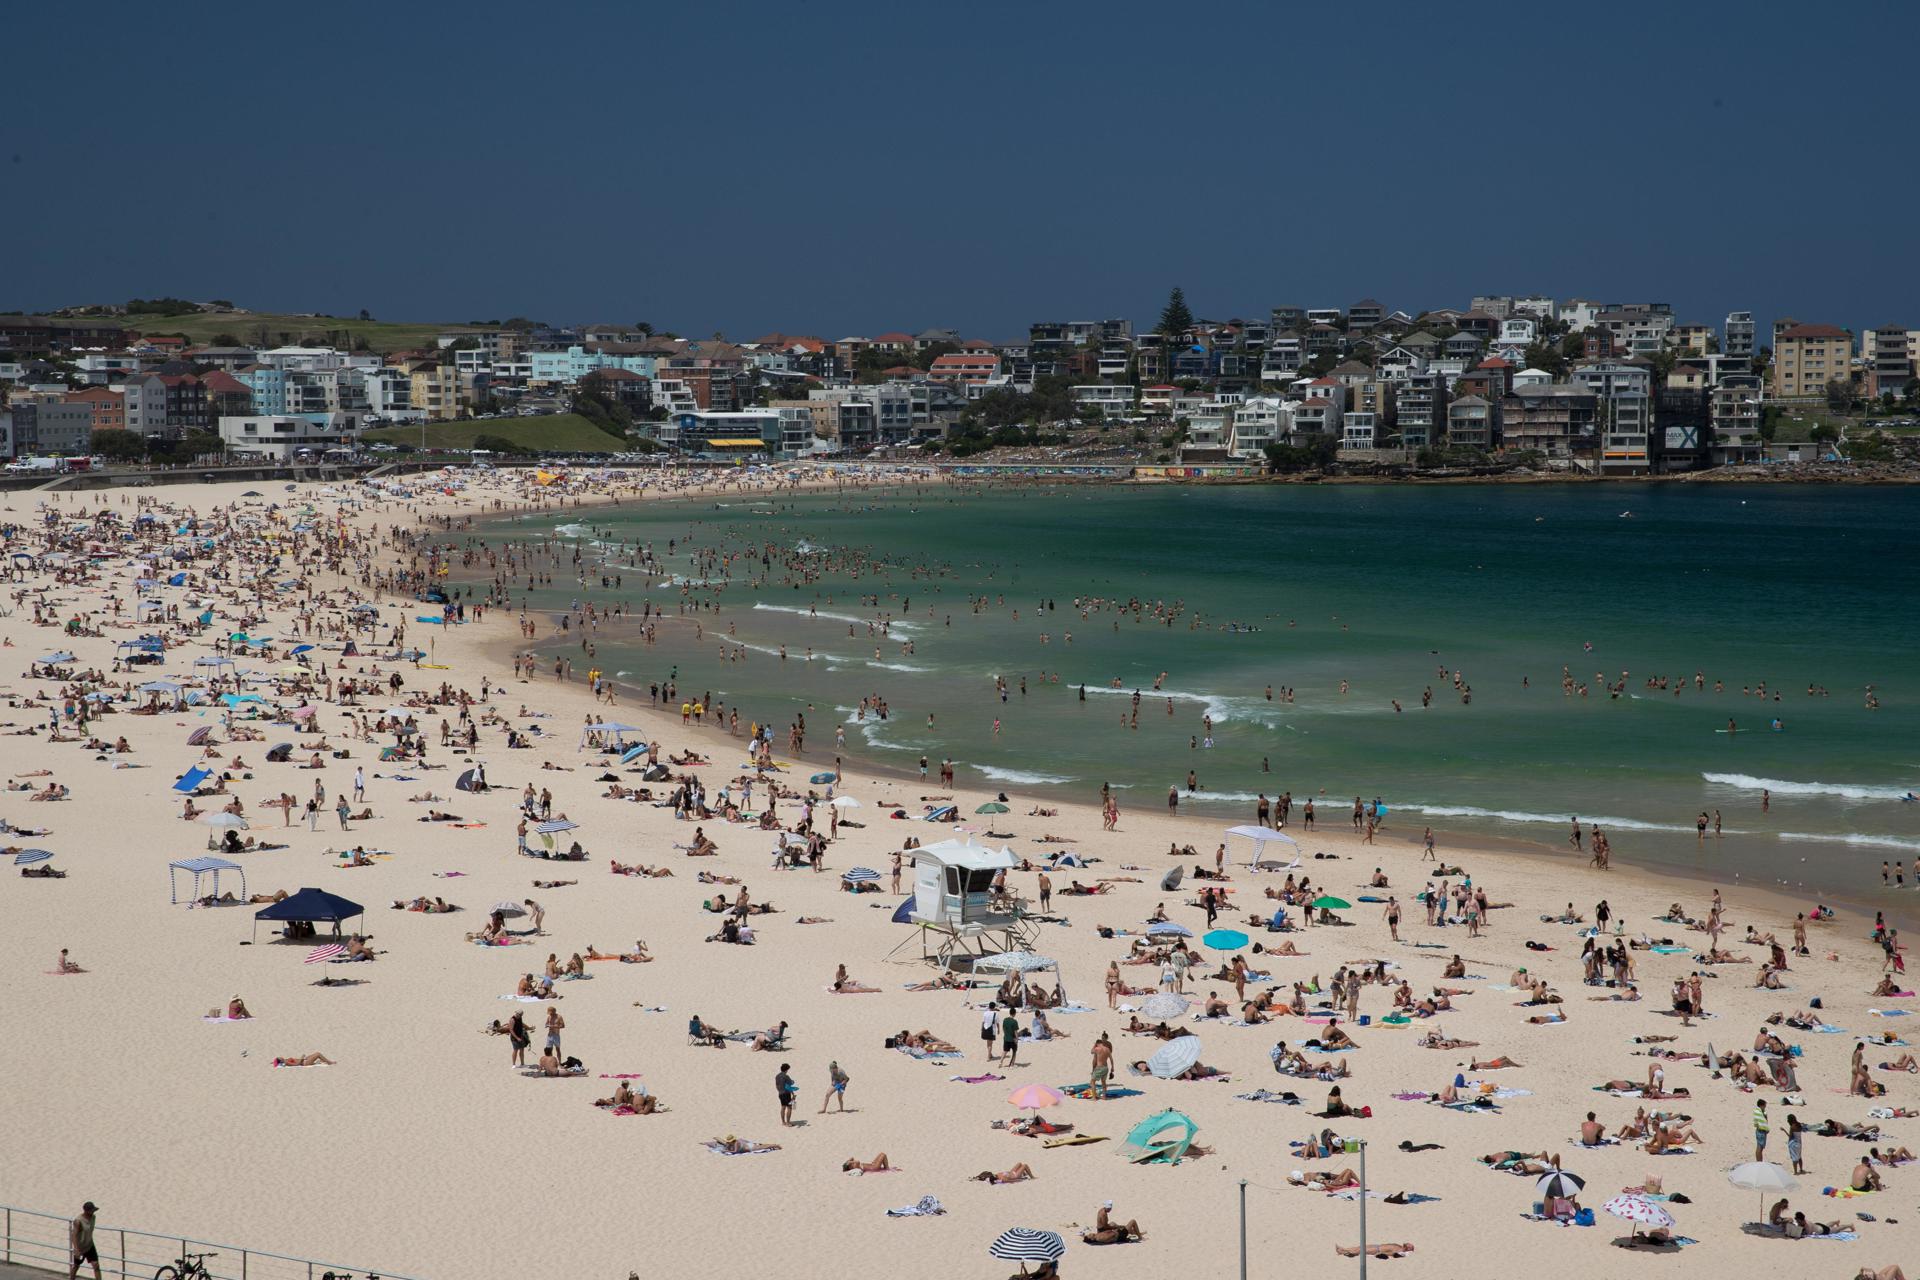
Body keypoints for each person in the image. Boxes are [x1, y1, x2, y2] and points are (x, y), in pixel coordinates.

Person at [68, 1201, 100, 1280]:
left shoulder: (93, 1217)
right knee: (76, 1266)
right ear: (86, 1211)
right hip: (80, 1248)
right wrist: (76, 1249)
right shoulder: (78, 1221)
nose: (93, 1212)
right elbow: (74, 1235)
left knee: (96, 1265)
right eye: (92, 1210)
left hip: (90, 1245)